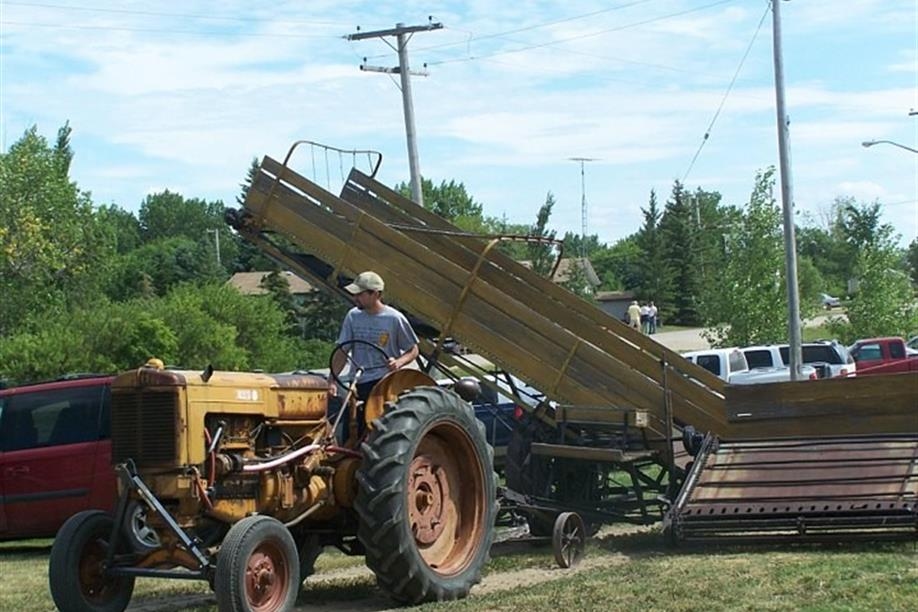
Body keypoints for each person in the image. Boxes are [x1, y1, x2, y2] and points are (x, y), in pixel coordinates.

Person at [327, 271, 419, 401]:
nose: (355, 298)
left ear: (376, 294)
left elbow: (413, 350)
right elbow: (343, 350)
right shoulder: (353, 316)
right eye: (355, 294)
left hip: (384, 382)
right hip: (357, 380)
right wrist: (332, 380)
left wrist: (398, 362)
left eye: (360, 294)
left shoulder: (394, 318)